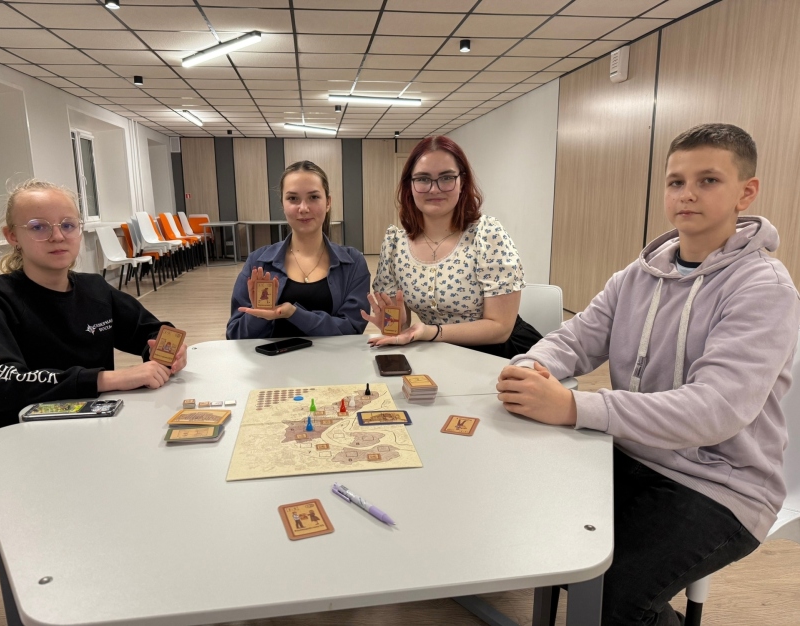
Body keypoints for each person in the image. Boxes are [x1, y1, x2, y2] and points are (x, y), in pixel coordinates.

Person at [496, 123, 800, 625]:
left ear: (746, 192)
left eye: (708, 180)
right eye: (676, 182)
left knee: (614, 597)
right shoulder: (636, 276)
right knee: (543, 538)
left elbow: (714, 410)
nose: (687, 194)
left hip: (720, 485)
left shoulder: (763, 288)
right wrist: (529, 367)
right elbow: (575, 339)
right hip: (629, 453)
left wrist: (573, 407)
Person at [0, 180, 187, 437]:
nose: (58, 237)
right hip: (17, 437)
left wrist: (168, 354)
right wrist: (105, 379)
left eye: (68, 225)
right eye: (38, 227)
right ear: (13, 236)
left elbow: (154, 331)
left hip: (95, 429)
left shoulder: (95, 289)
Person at [364, 135, 541, 358]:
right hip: (439, 352)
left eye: (446, 178)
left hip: (502, 354)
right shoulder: (395, 245)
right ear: (410, 185)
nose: (434, 189)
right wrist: (393, 324)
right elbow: (399, 327)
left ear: (462, 182)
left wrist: (431, 332)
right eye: (423, 179)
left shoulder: (487, 236)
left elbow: (500, 328)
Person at [226, 160, 370, 339]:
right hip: (273, 357)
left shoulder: (353, 263)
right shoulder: (259, 262)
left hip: (332, 358)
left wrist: (294, 314)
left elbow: (353, 328)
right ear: (283, 204)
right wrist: (258, 315)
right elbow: (235, 335)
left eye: (314, 197)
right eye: (293, 198)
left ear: (328, 202)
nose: (303, 208)